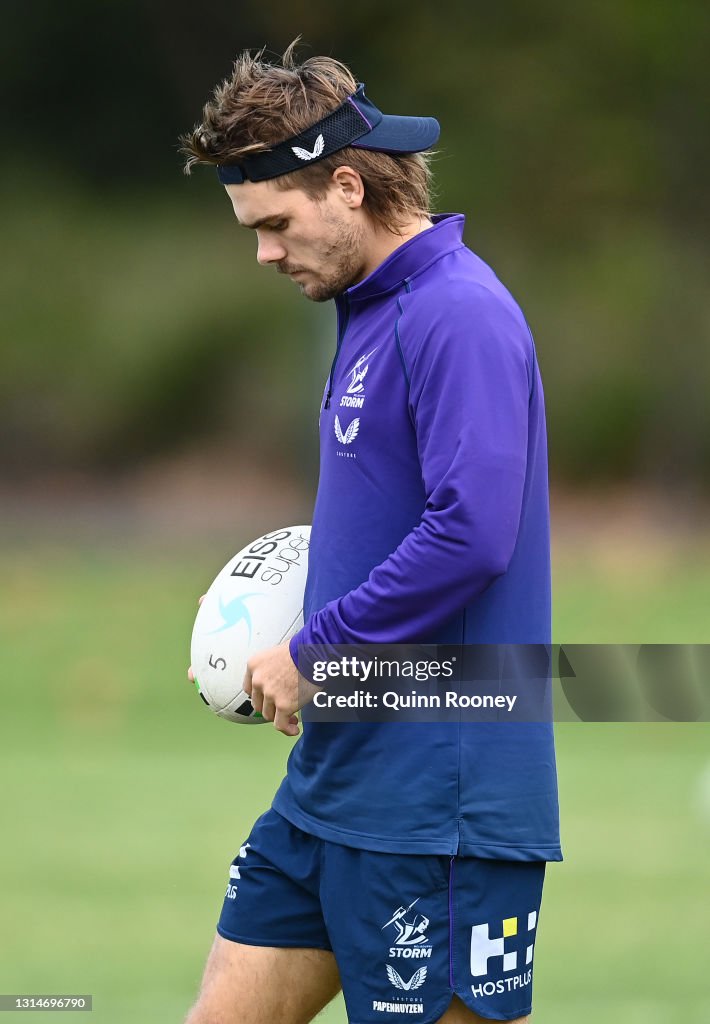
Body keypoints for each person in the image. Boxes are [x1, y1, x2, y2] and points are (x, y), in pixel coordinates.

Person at [181, 41, 561, 1024]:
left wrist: (315, 646)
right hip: (331, 788)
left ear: (346, 184)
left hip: (438, 808)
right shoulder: (370, 311)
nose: (264, 252)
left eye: (274, 222)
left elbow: (471, 533)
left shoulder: (458, 314)